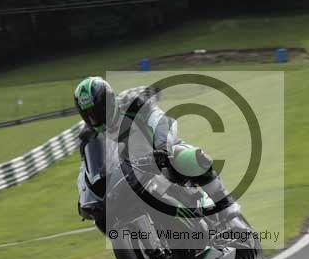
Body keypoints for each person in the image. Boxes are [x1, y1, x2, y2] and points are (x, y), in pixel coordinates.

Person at [73, 76, 240, 231]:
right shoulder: (88, 136)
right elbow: (85, 171)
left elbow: (162, 121)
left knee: (190, 157)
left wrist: (162, 148)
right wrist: (84, 199)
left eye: (97, 111)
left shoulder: (132, 103)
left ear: (108, 102)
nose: (94, 119)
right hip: (127, 178)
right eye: (88, 115)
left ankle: (225, 205)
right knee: (103, 216)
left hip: (159, 158)